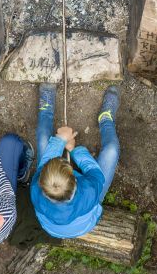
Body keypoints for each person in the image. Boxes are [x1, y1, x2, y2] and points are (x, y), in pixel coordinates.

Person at [29, 84, 120, 239]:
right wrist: (74, 149)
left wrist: (60, 141)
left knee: (44, 139)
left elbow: (45, 162)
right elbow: (93, 171)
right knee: (111, 150)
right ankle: (106, 119)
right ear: (75, 179)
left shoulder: (36, 189)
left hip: (56, 226)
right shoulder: (89, 192)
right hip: (89, 205)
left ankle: (46, 110)